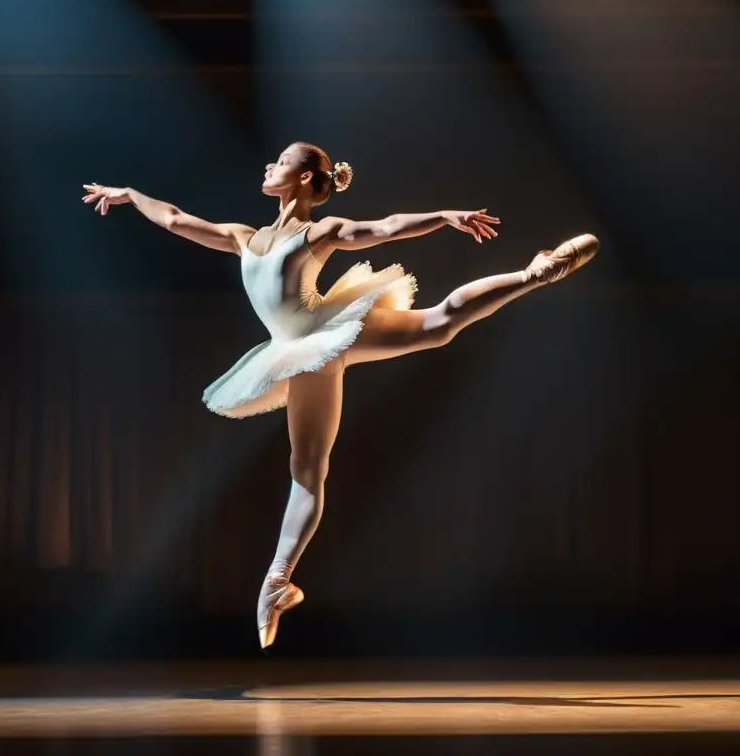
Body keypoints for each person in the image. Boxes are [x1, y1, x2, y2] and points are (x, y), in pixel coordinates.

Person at [82, 142, 598, 650]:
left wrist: (442, 216)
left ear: (305, 178)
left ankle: (535, 272)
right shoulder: (244, 236)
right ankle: (277, 580)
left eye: (280, 161)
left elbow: (384, 227)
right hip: (297, 351)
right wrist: (131, 194)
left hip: (325, 332)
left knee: (438, 324)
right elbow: (174, 219)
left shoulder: (318, 233)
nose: (268, 164)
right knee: (307, 467)